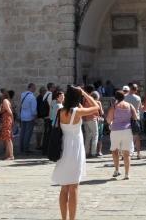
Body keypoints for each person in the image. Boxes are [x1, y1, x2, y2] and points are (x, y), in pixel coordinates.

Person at [51, 85, 99, 220]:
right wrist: (84, 93)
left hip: (64, 148)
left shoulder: (60, 111)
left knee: (64, 187)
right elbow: (96, 107)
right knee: (74, 187)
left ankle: (63, 218)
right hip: (75, 149)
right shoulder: (77, 112)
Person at [106, 88, 138, 179]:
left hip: (115, 130)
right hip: (127, 130)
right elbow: (136, 117)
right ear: (124, 97)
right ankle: (127, 174)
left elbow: (108, 120)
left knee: (115, 151)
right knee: (126, 153)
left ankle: (117, 170)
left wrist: (112, 121)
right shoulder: (130, 105)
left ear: (115, 97)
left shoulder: (114, 107)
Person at [82, 84, 102, 158]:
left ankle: (86, 152)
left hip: (85, 118)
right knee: (95, 135)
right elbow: (99, 111)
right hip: (92, 118)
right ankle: (93, 152)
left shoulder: (84, 99)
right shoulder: (93, 100)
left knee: (88, 136)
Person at [19, 82, 37, 154]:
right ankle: (26, 148)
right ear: (31, 88)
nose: (35, 89)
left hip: (23, 116)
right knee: (28, 134)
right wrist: (35, 117)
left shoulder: (23, 94)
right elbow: (33, 110)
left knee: (22, 132)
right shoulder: (32, 97)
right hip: (30, 117)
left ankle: (21, 148)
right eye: (34, 88)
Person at [124, 83, 142, 158]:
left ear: (130, 89)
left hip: (126, 118)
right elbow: (140, 108)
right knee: (137, 136)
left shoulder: (125, 97)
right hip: (136, 118)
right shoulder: (138, 98)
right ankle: (138, 154)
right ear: (136, 90)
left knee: (126, 137)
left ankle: (125, 154)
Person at [0, 88, 14, 159]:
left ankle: (11, 155)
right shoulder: (6, 101)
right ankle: (7, 155)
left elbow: (10, 112)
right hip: (6, 120)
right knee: (7, 138)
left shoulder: (5, 101)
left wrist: (12, 120)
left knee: (8, 138)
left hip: (7, 120)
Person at [41, 82, 55, 152]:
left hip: (46, 116)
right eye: (53, 87)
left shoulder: (46, 94)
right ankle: (46, 149)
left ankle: (45, 149)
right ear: (50, 88)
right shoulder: (50, 94)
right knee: (48, 133)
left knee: (46, 133)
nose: (54, 88)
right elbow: (51, 106)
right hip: (49, 117)